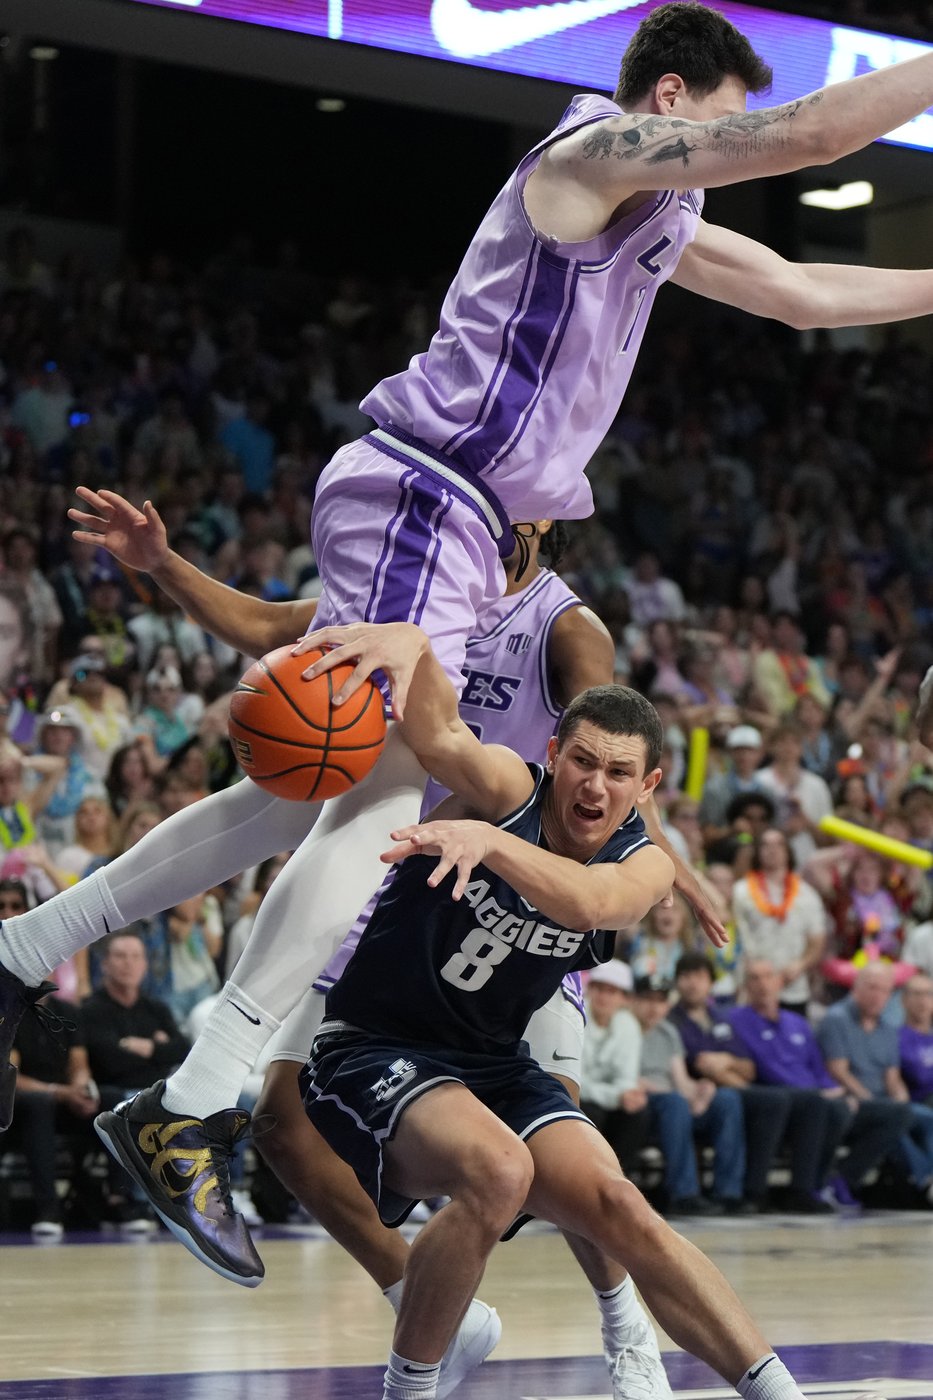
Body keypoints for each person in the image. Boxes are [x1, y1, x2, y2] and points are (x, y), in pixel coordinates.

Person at [8, 0, 933, 1273]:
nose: (724, 152)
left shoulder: (658, 219)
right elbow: (812, 136)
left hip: (443, 506)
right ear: (671, 102)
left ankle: (30, 949)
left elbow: (806, 293)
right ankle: (192, 1098)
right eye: (718, 124)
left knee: (306, 788)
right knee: (386, 788)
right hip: (433, 488)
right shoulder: (588, 157)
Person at [297, 622, 833, 1400]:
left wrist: (486, 846)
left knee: (619, 1203)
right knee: (499, 1169)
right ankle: (406, 1390)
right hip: (374, 1047)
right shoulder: (505, 790)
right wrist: (410, 641)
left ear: (646, 789)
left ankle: (777, 1393)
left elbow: (588, 904)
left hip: (492, 1063)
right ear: (552, 756)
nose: (594, 785)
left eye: (619, 773)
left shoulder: (643, 864)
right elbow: (444, 732)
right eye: (581, 761)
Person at [728, 958, 910, 1211]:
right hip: (780, 1095)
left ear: (780, 982)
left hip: (815, 1093)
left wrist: (837, 1090)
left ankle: (835, 1182)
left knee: (897, 1111)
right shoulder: (735, 1020)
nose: (763, 985)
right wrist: (822, 1092)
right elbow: (761, 1067)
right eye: (755, 978)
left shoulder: (797, 1023)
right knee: (821, 1104)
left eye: (768, 976)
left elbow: (819, 1068)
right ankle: (802, 1190)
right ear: (745, 986)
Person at [669, 951, 830, 1214]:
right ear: (677, 983)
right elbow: (703, 1066)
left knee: (812, 1101)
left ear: (710, 983)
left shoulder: (719, 1017)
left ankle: (801, 1190)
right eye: (686, 977)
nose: (693, 983)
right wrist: (733, 1074)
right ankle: (749, 1190)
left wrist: (726, 1061)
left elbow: (748, 1067)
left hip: (729, 1087)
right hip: (701, 1093)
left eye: (699, 977)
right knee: (765, 1100)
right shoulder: (674, 1021)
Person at [631, 971, 747, 1216]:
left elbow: (680, 1079)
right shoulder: (626, 1028)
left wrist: (700, 1090)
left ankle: (728, 1193)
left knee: (727, 1099)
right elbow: (630, 1078)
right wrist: (680, 1096)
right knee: (674, 1103)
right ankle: (683, 1193)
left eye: (660, 1001)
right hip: (643, 1102)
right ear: (634, 1000)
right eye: (647, 999)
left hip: (673, 1100)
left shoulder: (668, 1032)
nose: (654, 1007)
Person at [818, 961, 933, 1205]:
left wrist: (900, 1098)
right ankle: (920, 1180)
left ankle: (923, 1179)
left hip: (884, 1104)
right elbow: (838, 1071)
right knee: (897, 1118)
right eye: (871, 987)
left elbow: (892, 1077)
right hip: (851, 1101)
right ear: (856, 988)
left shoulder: (888, 1028)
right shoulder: (837, 1019)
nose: (877, 995)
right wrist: (874, 1100)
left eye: (883, 990)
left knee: (922, 1117)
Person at [732, 828, 826, 1015]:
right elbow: (735, 938)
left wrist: (801, 964)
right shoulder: (741, 891)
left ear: (788, 851)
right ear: (757, 852)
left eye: (778, 844)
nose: (772, 850)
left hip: (793, 988)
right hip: (752, 988)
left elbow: (817, 940)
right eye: (765, 845)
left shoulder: (807, 894)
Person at [579, 960, 650, 1177]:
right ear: (589, 989)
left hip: (607, 1097)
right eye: (599, 988)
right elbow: (575, 1080)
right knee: (591, 1113)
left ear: (624, 999)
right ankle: (586, 1179)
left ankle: (621, 1179)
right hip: (579, 1096)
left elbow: (627, 1079)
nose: (603, 997)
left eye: (612, 991)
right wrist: (617, 1096)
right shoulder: (575, 1015)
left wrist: (625, 1096)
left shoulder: (628, 1025)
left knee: (638, 1113)